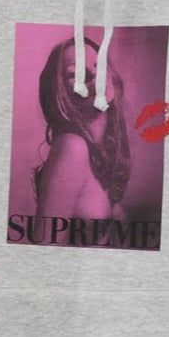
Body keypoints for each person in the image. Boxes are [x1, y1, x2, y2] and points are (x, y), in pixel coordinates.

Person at [32, 35, 131, 227]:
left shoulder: (105, 154)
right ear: (59, 93)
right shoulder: (72, 148)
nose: (94, 74)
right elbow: (44, 243)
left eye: (98, 65)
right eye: (75, 73)